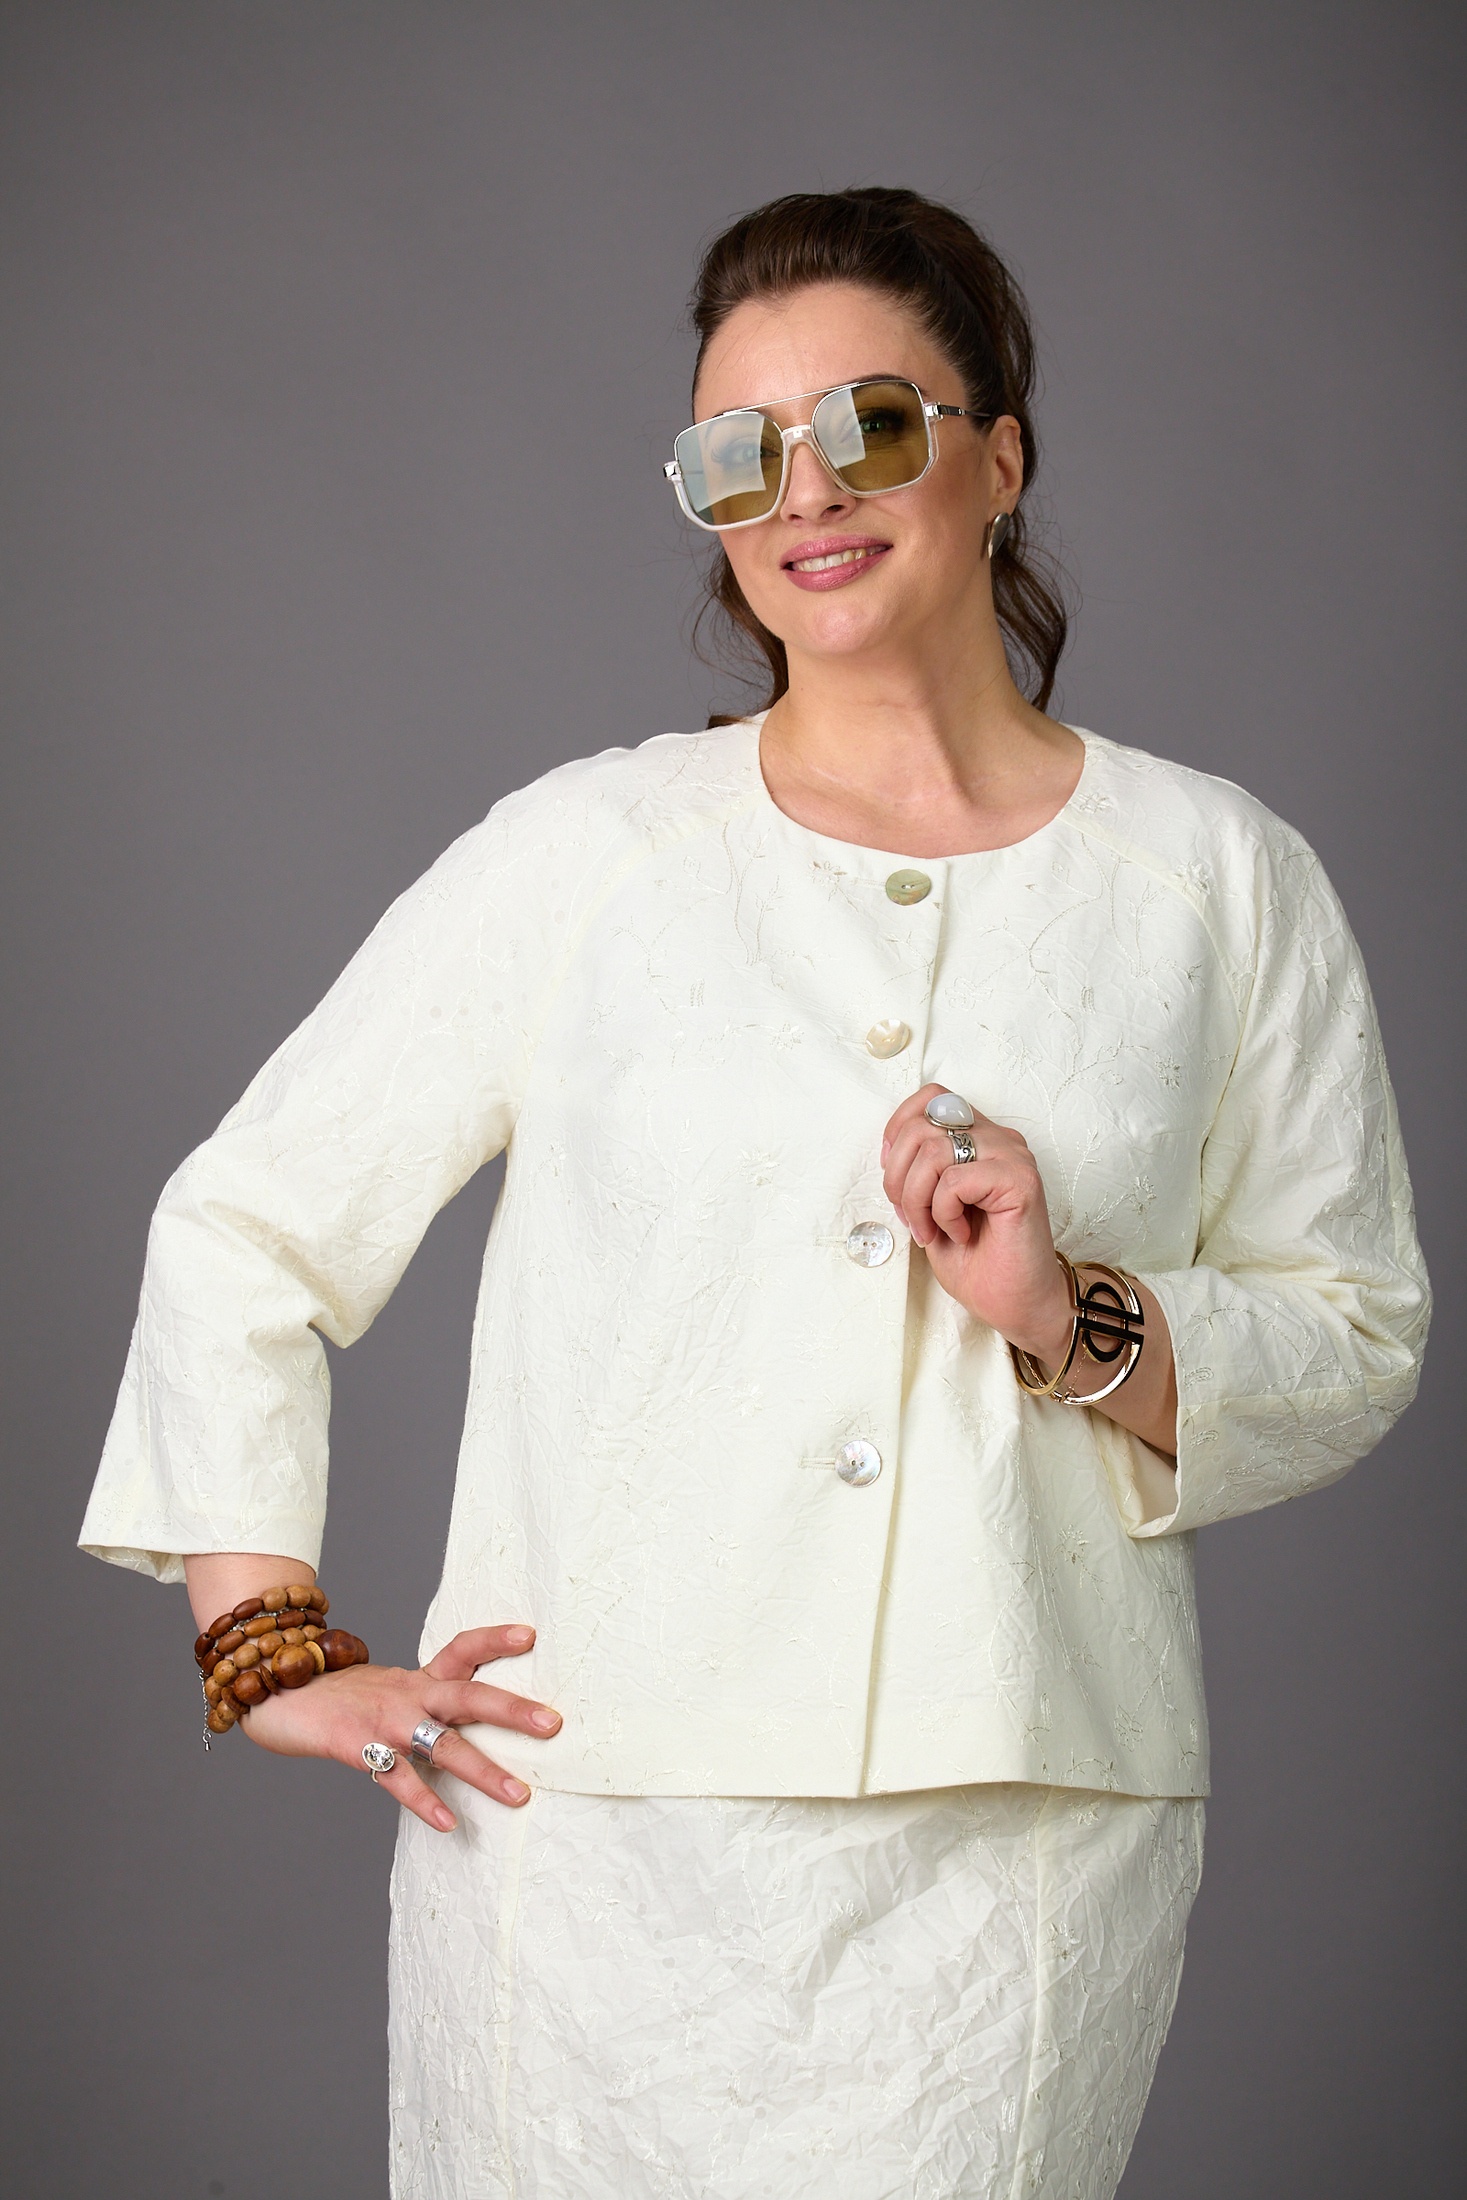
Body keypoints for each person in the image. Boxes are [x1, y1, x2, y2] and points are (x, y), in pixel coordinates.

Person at [80, 187, 1429, 2199]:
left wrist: (1069, 1314)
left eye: (870, 426)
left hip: (1019, 1837)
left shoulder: (1215, 881)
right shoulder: (587, 854)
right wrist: (261, 1637)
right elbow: (250, 1221)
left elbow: (1352, 1327)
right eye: (738, 452)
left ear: (998, 458)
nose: (802, 493)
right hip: (586, 1832)